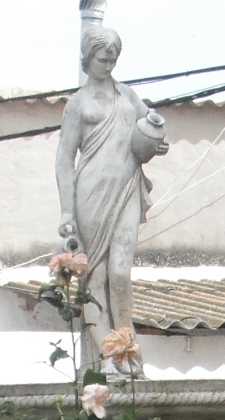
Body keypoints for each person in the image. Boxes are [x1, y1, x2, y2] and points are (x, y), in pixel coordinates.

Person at [55, 26, 168, 377]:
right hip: (91, 193)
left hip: (126, 189)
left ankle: (127, 350)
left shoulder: (129, 96)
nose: (108, 65)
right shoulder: (78, 104)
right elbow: (63, 158)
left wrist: (156, 142)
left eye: (113, 59)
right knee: (94, 276)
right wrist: (66, 211)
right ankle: (106, 355)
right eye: (103, 59)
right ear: (88, 58)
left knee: (120, 273)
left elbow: (150, 130)